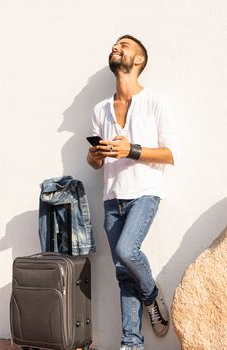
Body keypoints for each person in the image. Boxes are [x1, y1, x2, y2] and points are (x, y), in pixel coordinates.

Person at [87, 34, 179, 350]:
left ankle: (151, 295)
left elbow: (170, 153)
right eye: (114, 44)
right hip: (112, 196)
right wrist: (96, 156)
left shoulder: (155, 102)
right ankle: (131, 343)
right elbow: (94, 161)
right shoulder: (100, 109)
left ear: (137, 60)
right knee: (122, 273)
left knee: (127, 251)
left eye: (123, 45)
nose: (115, 47)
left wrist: (131, 150)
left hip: (144, 192)